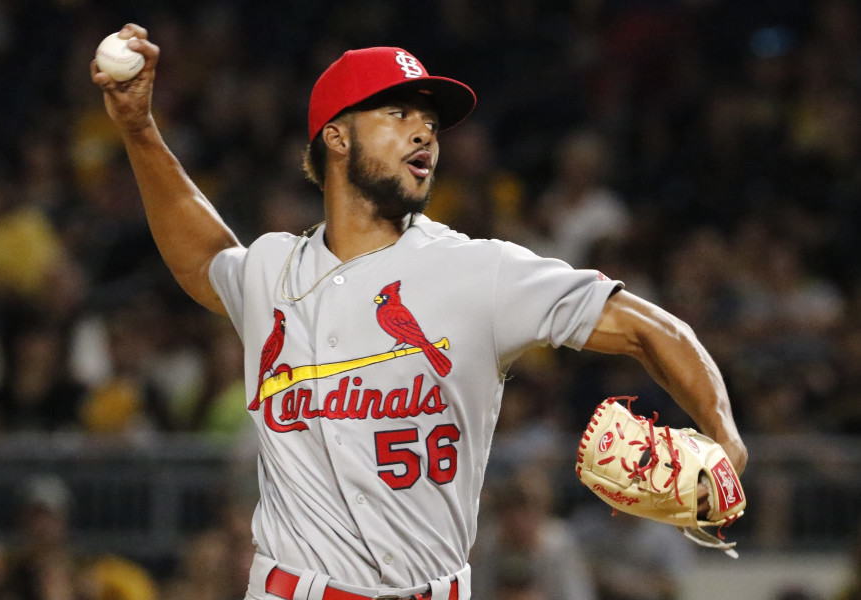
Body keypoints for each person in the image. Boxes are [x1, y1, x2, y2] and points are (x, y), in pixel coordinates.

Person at [92, 24, 747, 600]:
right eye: (398, 112)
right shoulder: (270, 271)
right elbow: (199, 256)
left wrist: (725, 435)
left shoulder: (481, 271)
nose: (423, 130)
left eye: (430, 120)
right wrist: (139, 129)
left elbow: (648, 327)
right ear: (337, 137)